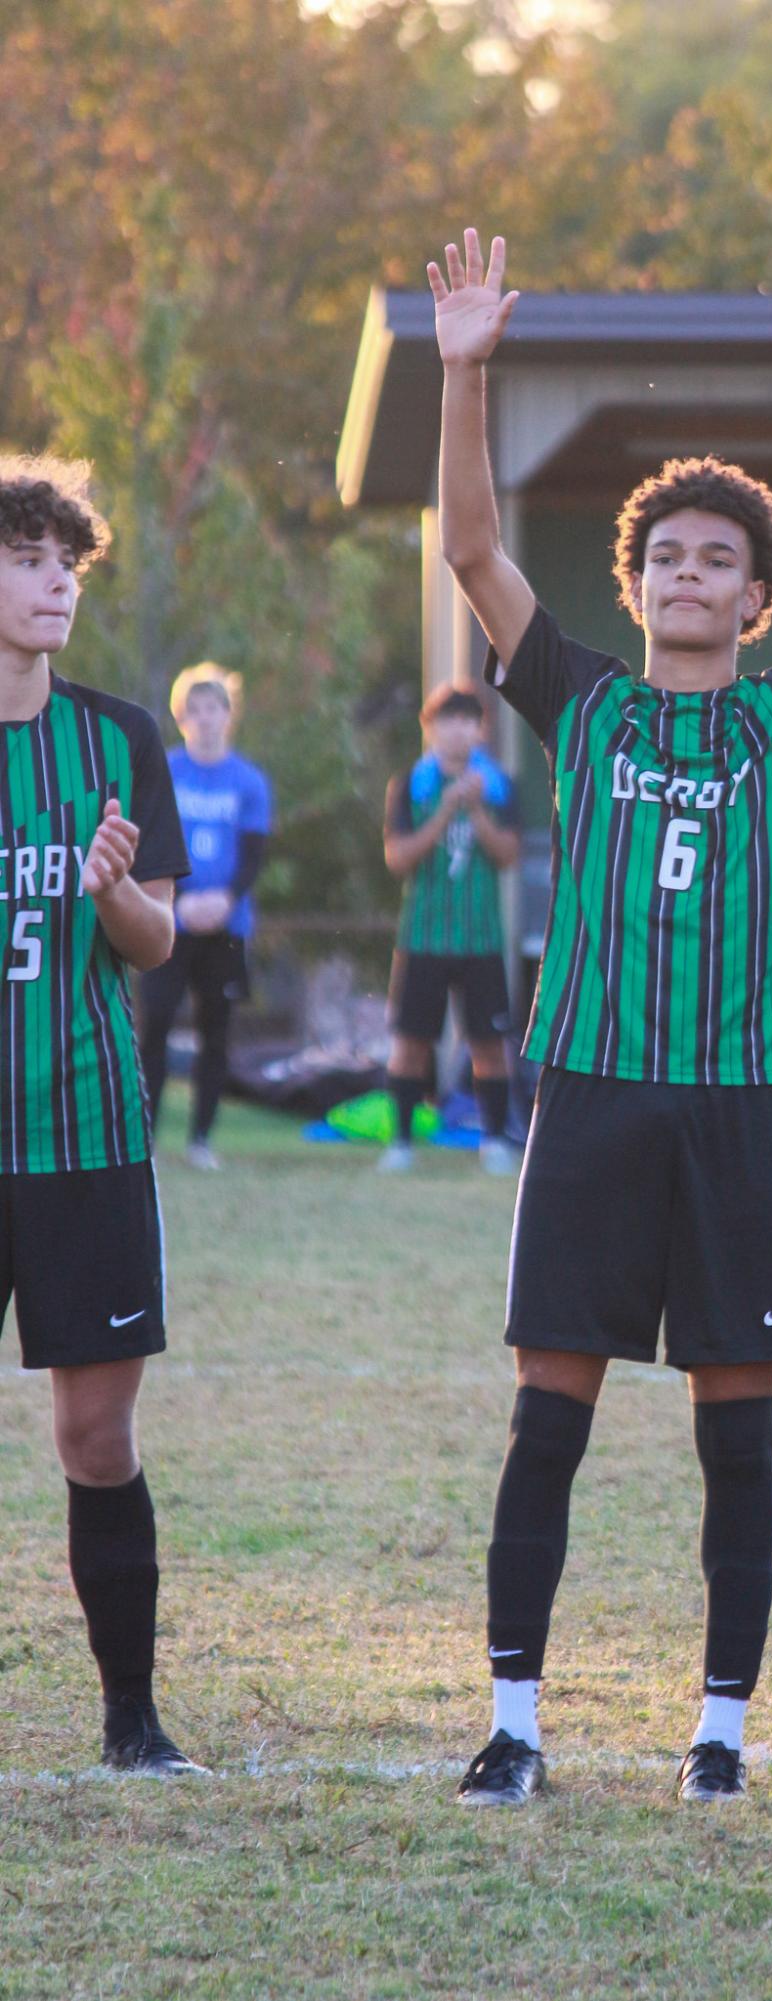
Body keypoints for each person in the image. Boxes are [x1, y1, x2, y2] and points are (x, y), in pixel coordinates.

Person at [429, 228, 772, 1804]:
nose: (688, 575)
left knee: (735, 1436)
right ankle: (513, 1723)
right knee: (546, 1420)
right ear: (632, 586)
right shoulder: (581, 699)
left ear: (758, 594)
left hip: (733, 1101)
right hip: (589, 1093)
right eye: (666, 558)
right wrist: (463, 368)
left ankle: (718, 1735)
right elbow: (470, 554)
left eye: (718, 560)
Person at [0, 455, 204, 1773]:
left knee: (96, 1432)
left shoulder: (120, 736)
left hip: (84, 1139)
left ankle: (133, 1721)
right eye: (25, 557)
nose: (55, 579)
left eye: (67, 560)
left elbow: (154, 940)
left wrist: (112, 888)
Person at [380, 683, 522, 1174]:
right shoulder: (410, 785)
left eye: (467, 721)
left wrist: (477, 809)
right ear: (430, 728)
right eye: (447, 721)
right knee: (411, 1041)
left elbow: (507, 857)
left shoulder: (500, 785)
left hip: (481, 939)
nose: (457, 731)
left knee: (489, 1044)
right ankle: (401, 1142)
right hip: (423, 938)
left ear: (480, 729)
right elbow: (398, 859)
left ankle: (495, 1141)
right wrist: (445, 809)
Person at [139, 664, 272, 1168]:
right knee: (156, 1026)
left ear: (228, 715)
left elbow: (254, 854)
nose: (205, 718)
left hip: (226, 925)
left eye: (213, 707)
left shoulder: (250, 780)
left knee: (216, 1031)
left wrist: (226, 900)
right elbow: (149, 840)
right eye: (194, 709)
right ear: (180, 717)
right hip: (171, 918)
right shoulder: (166, 771)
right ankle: (145, 1140)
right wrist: (179, 898)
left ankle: (201, 1139)